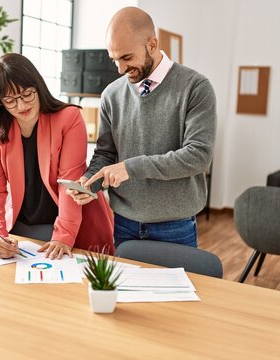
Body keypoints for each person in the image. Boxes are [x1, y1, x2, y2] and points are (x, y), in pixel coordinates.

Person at [68, 7, 216, 249]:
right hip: (124, 223)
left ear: (152, 44)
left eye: (126, 58)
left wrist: (131, 167)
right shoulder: (111, 95)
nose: (120, 69)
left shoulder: (196, 88)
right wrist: (89, 183)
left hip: (175, 225)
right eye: (114, 59)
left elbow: (198, 157)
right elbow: (106, 154)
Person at [0, 53, 114, 259]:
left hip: (75, 228)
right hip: (24, 231)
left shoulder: (69, 118)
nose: (21, 106)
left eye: (26, 94)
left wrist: (63, 236)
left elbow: (68, 182)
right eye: (10, 100)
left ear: (38, 86)